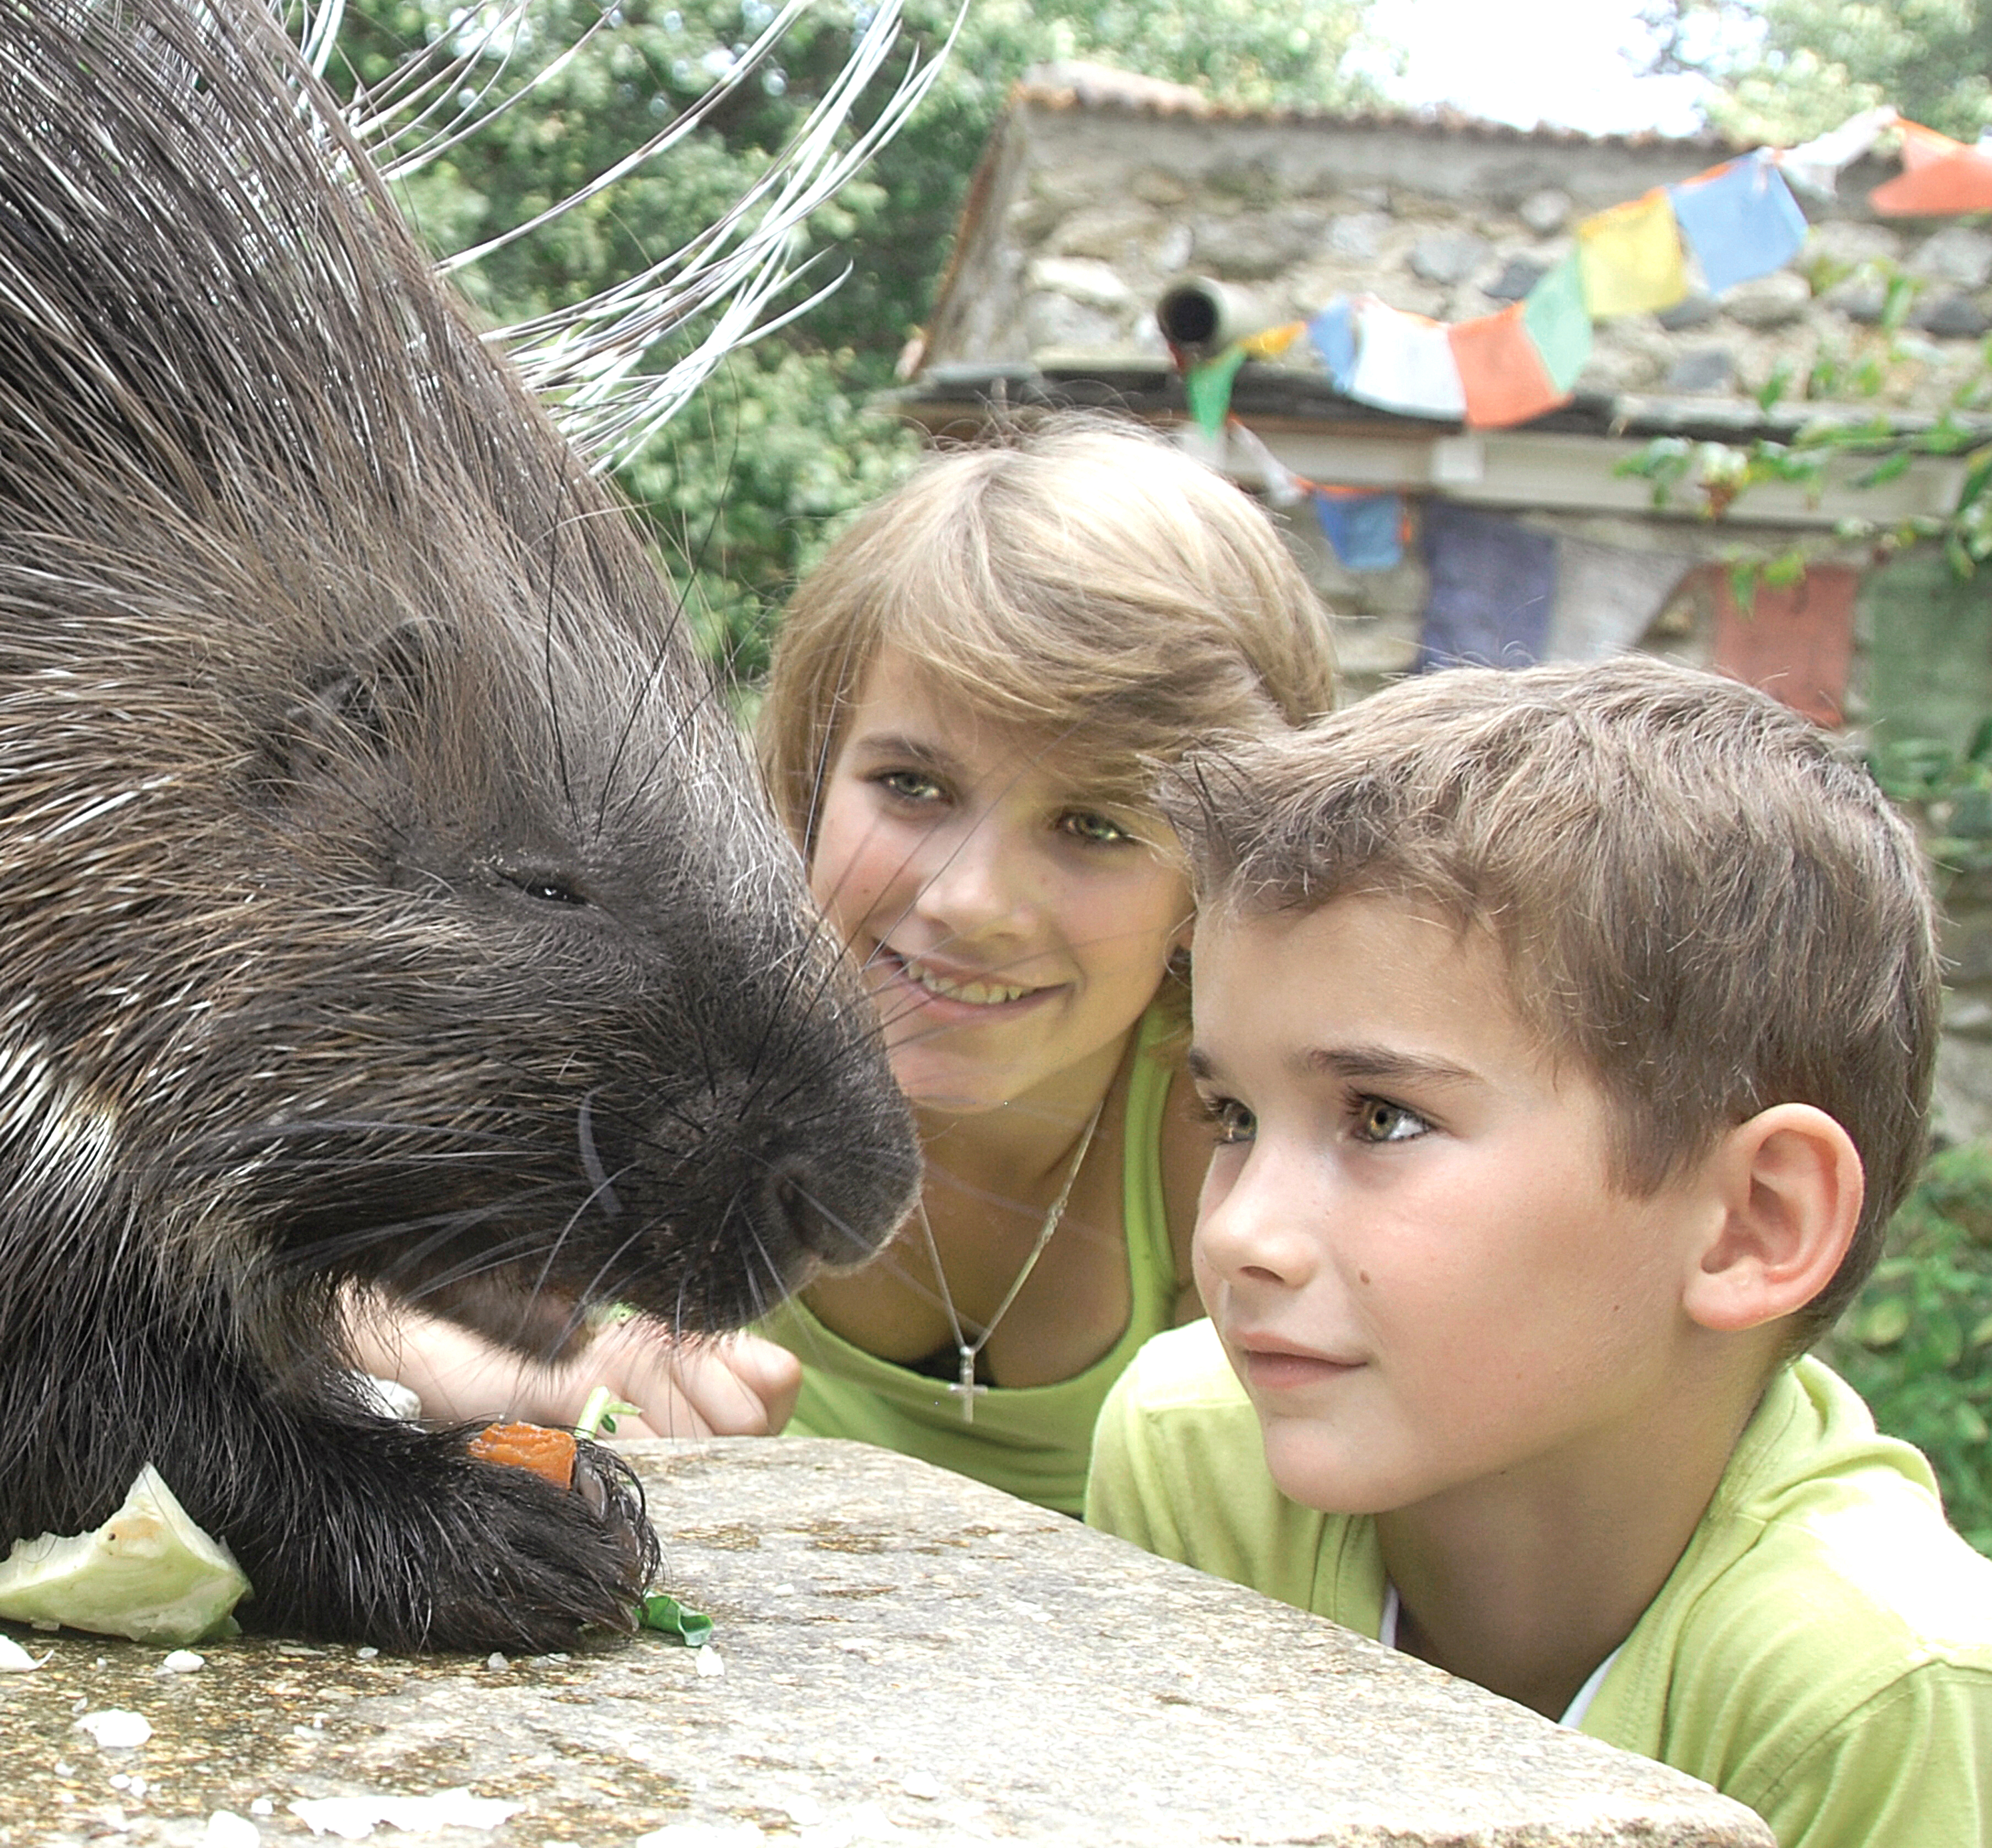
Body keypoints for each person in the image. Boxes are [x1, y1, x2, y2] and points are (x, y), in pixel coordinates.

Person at [358, 414, 1340, 1512]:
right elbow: (267, 1241)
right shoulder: (632, 1032)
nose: (970, 900)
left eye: (1095, 825)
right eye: (912, 785)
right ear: (810, 776)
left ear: (1208, 881)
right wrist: (494, 1361)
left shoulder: (1252, 1139)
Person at [1086, 659, 1992, 1848]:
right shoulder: (1193, 1457)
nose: (1238, 1231)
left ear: (1751, 1220)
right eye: (1233, 1119)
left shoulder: (1870, 1687)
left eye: (1379, 1117)